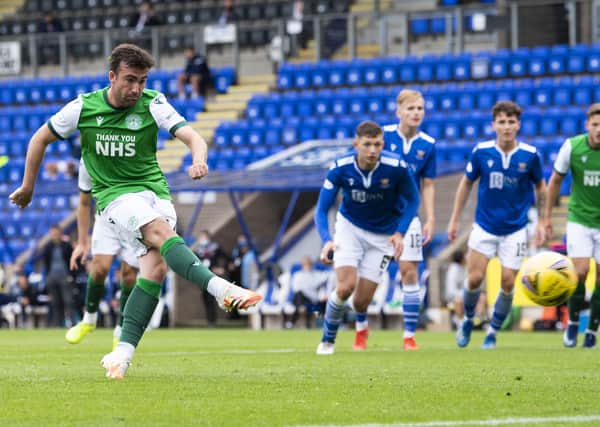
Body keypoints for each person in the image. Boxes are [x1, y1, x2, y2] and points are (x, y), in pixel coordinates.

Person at [9, 43, 261, 378]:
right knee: (160, 234)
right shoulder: (83, 108)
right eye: (130, 80)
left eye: (141, 80)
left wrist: (199, 159)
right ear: (112, 77)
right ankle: (221, 289)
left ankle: (121, 356)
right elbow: (39, 139)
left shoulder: (153, 102)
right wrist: (28, 186)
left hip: (156, 194)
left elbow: (193, 137)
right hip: (115, 197)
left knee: (154, 272)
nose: (136, 88)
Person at [314, 120, 420, 355]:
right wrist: (326, 239)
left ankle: (361, 329)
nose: (372, 150)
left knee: (361, 302)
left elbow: (413, 200)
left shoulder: (396, 166)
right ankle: (327, 341)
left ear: (383, 144)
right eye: (367, 144)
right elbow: (321, 208)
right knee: (345, 287)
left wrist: (400, 232)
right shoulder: (341, 167)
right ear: (356, 144)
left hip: (383, 236)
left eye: (377, 144)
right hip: (349, 228)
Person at [447, 101, 547, 349]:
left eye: (511, 122)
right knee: (474, 278)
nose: (506, 127)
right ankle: (468, 319)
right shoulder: (481, 152)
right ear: (493, 125)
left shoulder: (530, 155)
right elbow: (466, 184)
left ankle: (492, 332)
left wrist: (543, 221)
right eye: (501, 122)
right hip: (484, 227)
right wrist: (455, 219)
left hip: (515, 230)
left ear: (518, 125)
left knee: (508, 282)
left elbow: (541, 187)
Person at [357, 88, 436, 351]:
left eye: (420, 108)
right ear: (398, 111)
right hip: (375, 216)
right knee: (366, 278)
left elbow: (428, 184)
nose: (416, 113)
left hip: (408, 217)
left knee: (409, 272)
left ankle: (409, 336)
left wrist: (430, 216)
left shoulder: (428, 144)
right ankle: (360, 326)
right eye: (411, 108)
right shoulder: (382, 137)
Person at [542, 103, 600, 349]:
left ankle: (592, 331)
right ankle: (573, 324)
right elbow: (555, 181)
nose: (599, 129)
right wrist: (546, 217)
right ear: (587, 125)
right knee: (580, 272)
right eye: (595, 124)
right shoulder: (572, 147)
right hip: (579, 219)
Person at [65, 159, 139, 350]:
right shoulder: (88, 160)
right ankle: (89, 320)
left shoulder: (129, 146)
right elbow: (84, 201)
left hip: (133, 217)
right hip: (105, 219)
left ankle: (121, 329)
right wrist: (82, 242)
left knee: (129, 275)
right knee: (99, 269)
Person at [40, 224, 74, 327]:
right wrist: (47, 277)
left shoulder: (67, 246)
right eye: (53, 233)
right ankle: (57, 324)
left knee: (68, 301)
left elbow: (72, 260)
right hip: (52, 277)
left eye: (56, 232)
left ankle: (71, 323)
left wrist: (71, 275)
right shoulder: (48, 247)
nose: (55, 235)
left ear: (60, 233)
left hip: (65, 277)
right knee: (55, 303)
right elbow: (45, 263)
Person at [284, 256, 329, 329]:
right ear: (302, 266)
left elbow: (326, 277)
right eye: (305, 265)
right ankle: (300, 308)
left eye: (309, 265)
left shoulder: (316, 275)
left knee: (324, 301)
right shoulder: (297, 275)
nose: (307, 267)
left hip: (312, 298)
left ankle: (293, 320)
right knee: (299, 295)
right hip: (300, 297)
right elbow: (296, 288)